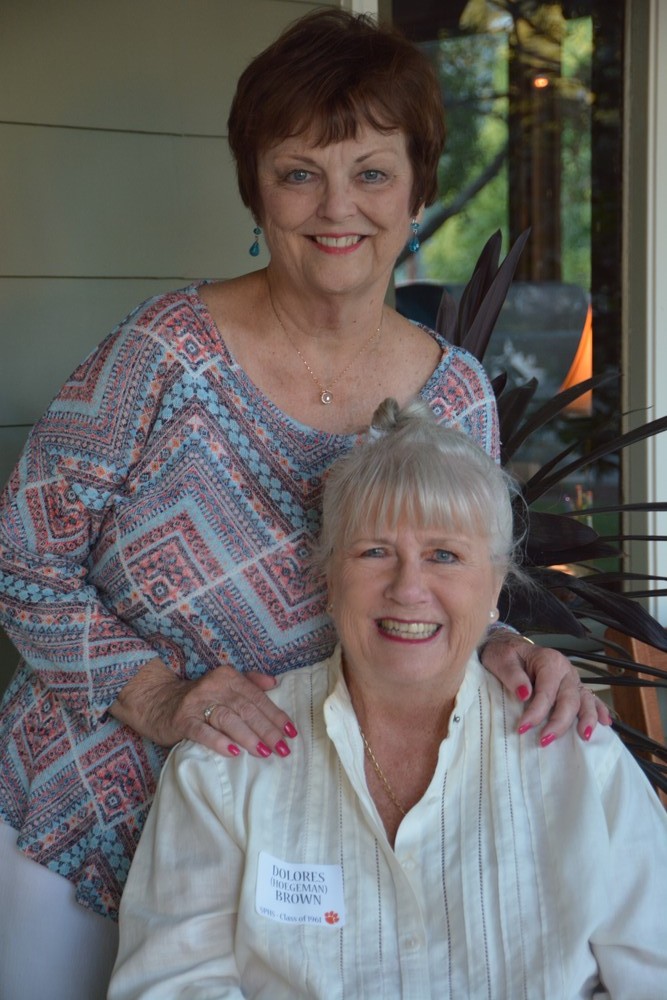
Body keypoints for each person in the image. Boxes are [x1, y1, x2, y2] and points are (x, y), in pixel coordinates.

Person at [0, 10, 607, 1000]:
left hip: (286, 834)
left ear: (418, 191)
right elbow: (24, 560)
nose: (338, 208)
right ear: (256, 189)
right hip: (85, 807)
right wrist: (159, 698)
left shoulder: (454, 396)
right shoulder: (161, 353)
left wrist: (502, 648)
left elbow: (445, 585)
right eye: (299, 173)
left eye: (371, 172)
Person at [108, 397, 667, 1000]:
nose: (408, 588)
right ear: (329, 578)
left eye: (444, 555)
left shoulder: (580, 757)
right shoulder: (226, 766)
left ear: (496, 588)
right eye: (375, 551)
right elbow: (170, 985)